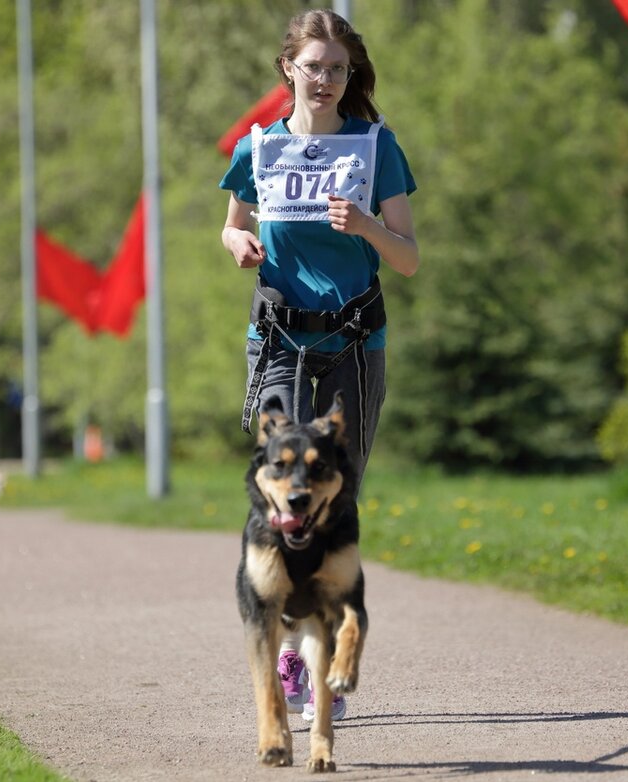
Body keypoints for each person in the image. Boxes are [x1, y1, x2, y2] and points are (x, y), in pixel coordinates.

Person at [220, 9, 419, 723]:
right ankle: (281, 641)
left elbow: (409, 256)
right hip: (276, 335)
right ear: (289, 71)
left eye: (338, 68)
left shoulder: (374, 147)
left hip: (354, 340)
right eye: (314, 67)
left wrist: (365, 224)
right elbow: (234, 222)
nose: (327, 80)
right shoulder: (261, 147)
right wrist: (236, 244)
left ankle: (328, 638)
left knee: (337, 486)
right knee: (282, 481)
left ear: (350, 74)